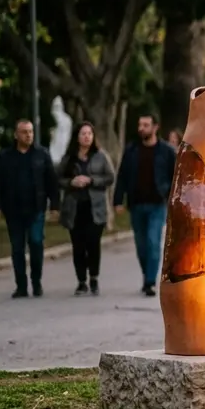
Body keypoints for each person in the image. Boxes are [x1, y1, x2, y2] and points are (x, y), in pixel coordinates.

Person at [114, 114, 177, 297]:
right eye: (140, 124)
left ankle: (150, 281)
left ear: (155, 127)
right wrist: (118, 200)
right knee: (141, 246)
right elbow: (122, 176)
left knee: (152, 241)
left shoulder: (166, 151)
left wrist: (171, 196)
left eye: (146, 125)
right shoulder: (131, 150)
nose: (141, 128)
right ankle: (146, 275)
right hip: (136, 204)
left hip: (157, 204)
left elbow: (175, 177)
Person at [0, 120, 60, 298]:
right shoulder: (5, 157)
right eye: (24, 132)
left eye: (31, 132)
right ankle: (21, 286)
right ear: (16, 135)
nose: (29, 135)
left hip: (36, 209)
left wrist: (55, 205)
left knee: (36, 243)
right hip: (13, 210)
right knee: (17, 248)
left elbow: (51, 181)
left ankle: (36, 281)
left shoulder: (41, 154)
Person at [58, 122, 115, 296]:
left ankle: (94, 278)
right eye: (83, 134)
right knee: (78, 246)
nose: (86, 137)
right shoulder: (69, 158)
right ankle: (81, 281)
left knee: (93, 244)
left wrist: (91, 180)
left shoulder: (100, 156)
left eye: (89, 133)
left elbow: (110, 177)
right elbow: (58, 179)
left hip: (95, 208)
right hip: (74, 208)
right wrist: (71, 182)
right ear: (77, 137)